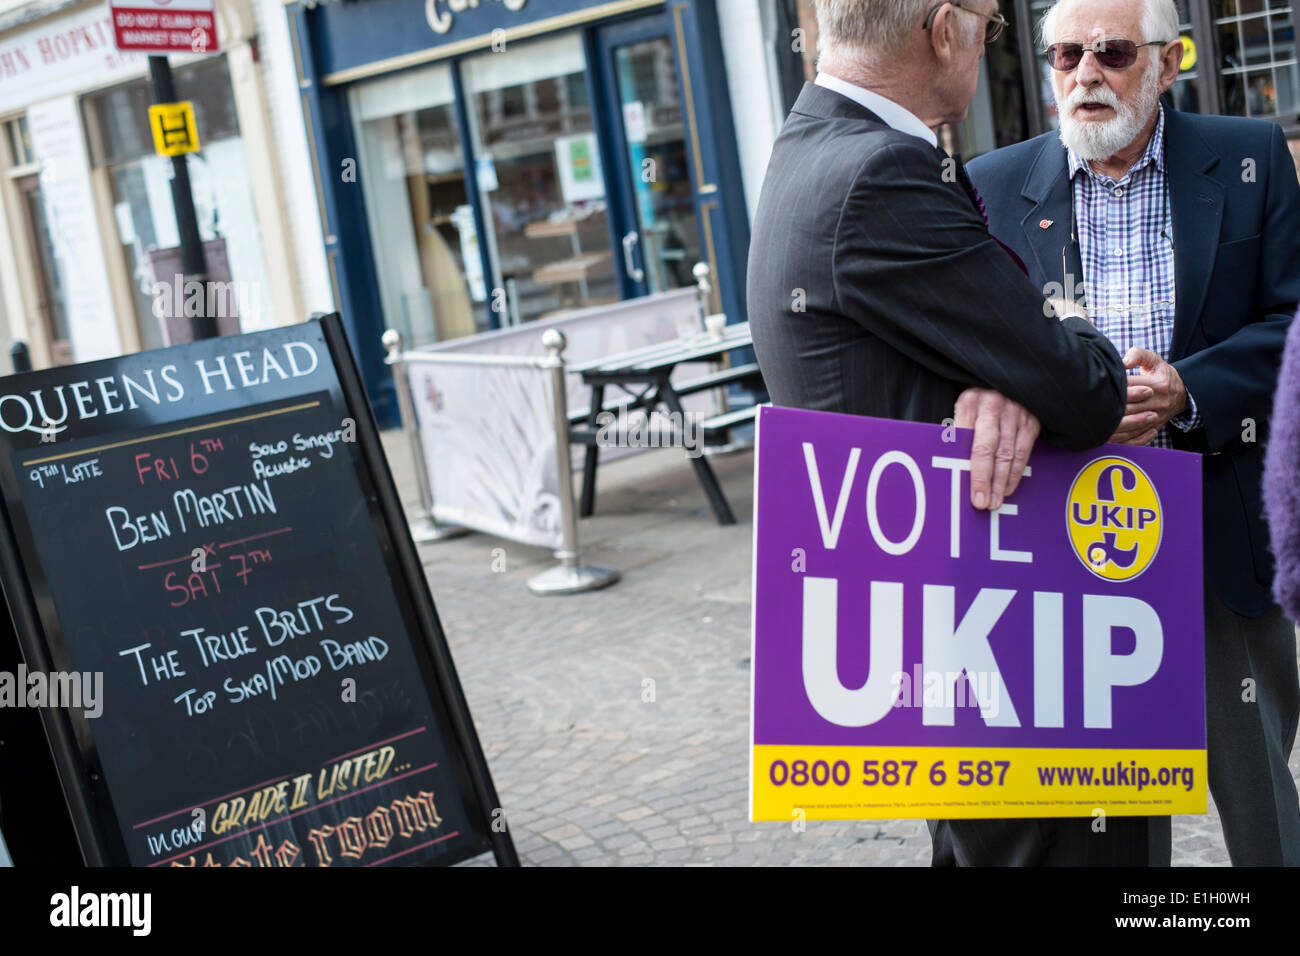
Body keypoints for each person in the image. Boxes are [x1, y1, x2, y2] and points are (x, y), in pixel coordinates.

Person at [746, 0, 1134, 864]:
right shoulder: (879, 170)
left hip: (938, 639)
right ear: (944, 28)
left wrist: (1009, 378)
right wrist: (1059, 328)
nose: (989, 45)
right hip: (991, 640)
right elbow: (1087, 387)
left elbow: (982, 349)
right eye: (993, 26)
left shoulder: (809, 144)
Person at [968, 0, 1300, 866]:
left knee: (1261, 797)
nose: (1085, 74)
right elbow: (968, 347)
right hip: (1066, 552)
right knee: (1109, 826)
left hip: (1214, 519)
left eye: (1112, 53)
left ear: (1169, 59)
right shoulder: (992, 185)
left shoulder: (1251, 156)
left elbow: (1293, 323)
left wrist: (1192, 387)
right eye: (1066, 54)